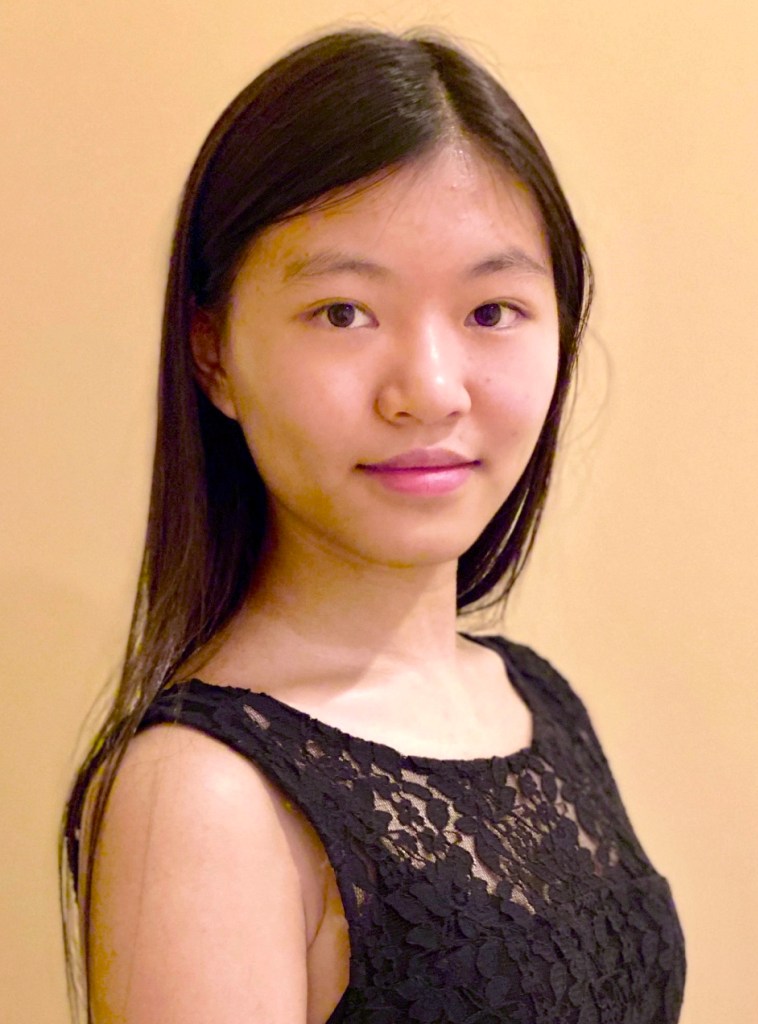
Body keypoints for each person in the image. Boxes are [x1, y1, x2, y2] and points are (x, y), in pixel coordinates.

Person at [60, 27, 686, 1024]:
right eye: (344, 312)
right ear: (214, 354)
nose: (429, 391)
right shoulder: (204, 795)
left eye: (492, 311)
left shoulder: (533, 698)